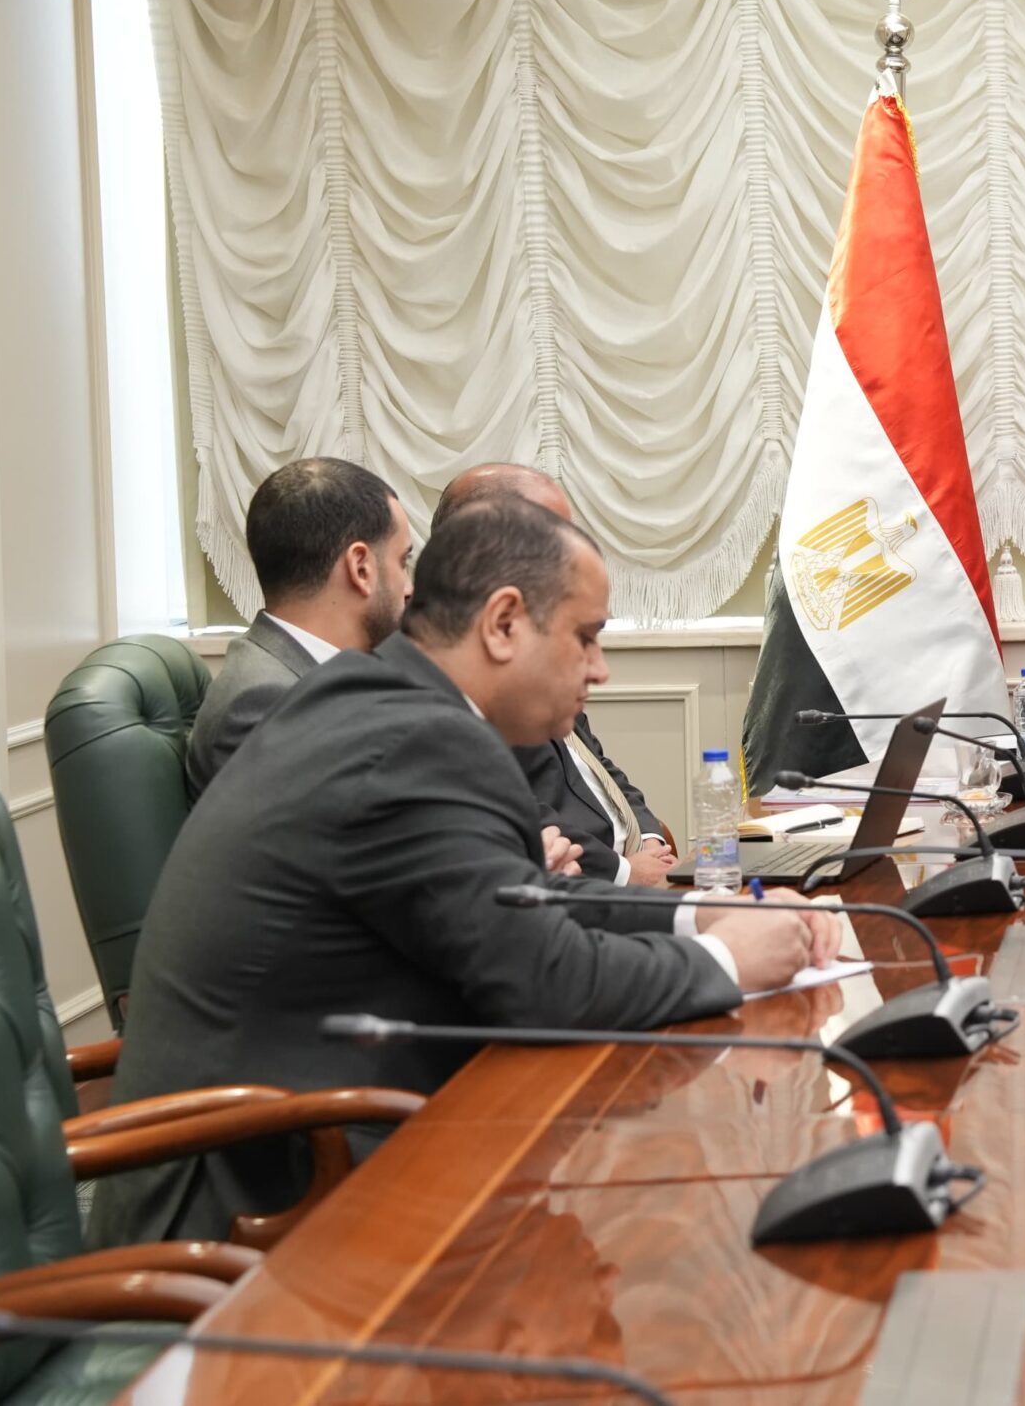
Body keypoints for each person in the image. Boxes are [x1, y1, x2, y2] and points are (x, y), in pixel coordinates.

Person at [87, 497, 840, 1246]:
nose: (601, 670)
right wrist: (728, 958)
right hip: (257, 1210)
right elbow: (544, 980)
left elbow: (523, 902)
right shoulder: (411, 738)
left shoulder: (395, 706)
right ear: (503, 622)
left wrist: (697, 915)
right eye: (585, 638)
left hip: (327, 1142)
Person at [440, 462, 677, 888]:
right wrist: (625, 873)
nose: (599, 670)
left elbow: (598, 766)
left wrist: (648, 839)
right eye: (555, 540)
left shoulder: (536, 652)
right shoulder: (444, 695)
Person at [186, 457, 414, 795]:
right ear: (361, 568)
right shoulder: (266, 701)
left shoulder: (308, 672)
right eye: (402, 561)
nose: (409, 587)